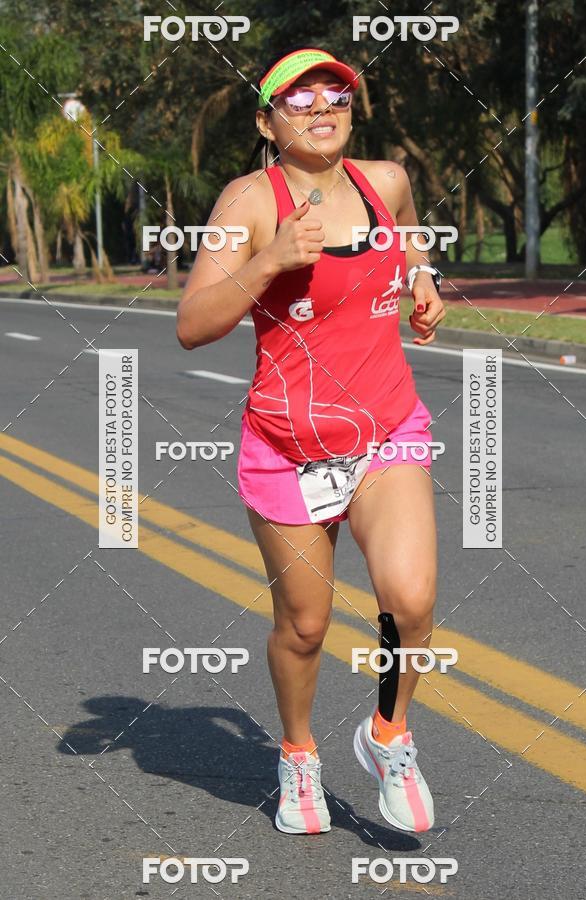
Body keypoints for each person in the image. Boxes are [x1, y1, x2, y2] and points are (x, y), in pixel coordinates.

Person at [177, 47, 446, 836]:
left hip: (385, 430)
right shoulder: (248, 202)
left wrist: (421, 280)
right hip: (288, 448)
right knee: (304, 626)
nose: (322, 107)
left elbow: (408, 238)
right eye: (298, 99)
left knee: (413, 597)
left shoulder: (385, 179)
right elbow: (194, 325)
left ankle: (389, 735)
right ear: (267, 122)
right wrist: (270, 260)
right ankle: (298, 755)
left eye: (336, 93)